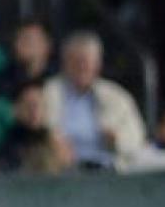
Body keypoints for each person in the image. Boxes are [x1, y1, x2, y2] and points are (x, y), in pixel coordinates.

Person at [42, 31, 146, 169]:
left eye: (86, 61)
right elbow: (38, 131)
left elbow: (136, 139)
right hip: (61, 171)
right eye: (75, 61)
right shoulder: (48, 92)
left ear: (97, 64)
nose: (81, 67)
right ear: (65, 63)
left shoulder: (116, 96)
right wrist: (51, 142)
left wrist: (117, 140)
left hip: (108, 171)